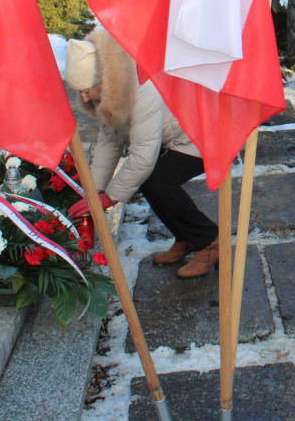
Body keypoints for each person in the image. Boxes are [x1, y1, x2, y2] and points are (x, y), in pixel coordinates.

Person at [65, 28, 220, 279]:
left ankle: (208, 241)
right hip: (176, 137)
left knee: (158, 181)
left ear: (103, 79)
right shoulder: (111, 90)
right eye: (79, 91)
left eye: (86, 89)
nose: (83, 97)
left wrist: (108, 199)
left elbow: (143, 156)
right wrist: (95, 191)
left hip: (204, 133)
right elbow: (110, 141)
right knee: (149, 182)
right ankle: (186, 238)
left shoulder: (141, 86)